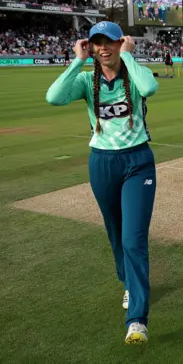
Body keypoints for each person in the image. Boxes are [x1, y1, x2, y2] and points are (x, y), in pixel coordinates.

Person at [45, 21, 158, 345]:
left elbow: (149, 88)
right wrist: (77, 60)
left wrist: (130, 56)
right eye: (98, 43)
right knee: (115, 230)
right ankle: (128, 282)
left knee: (134, 239)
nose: (104, 48)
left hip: (137, 162)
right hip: (102, 163)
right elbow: (54, 97)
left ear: (120, 43)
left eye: (110, 41)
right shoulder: (85, 80)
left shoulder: (133, 77)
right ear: (91, 46)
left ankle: (137, 319)